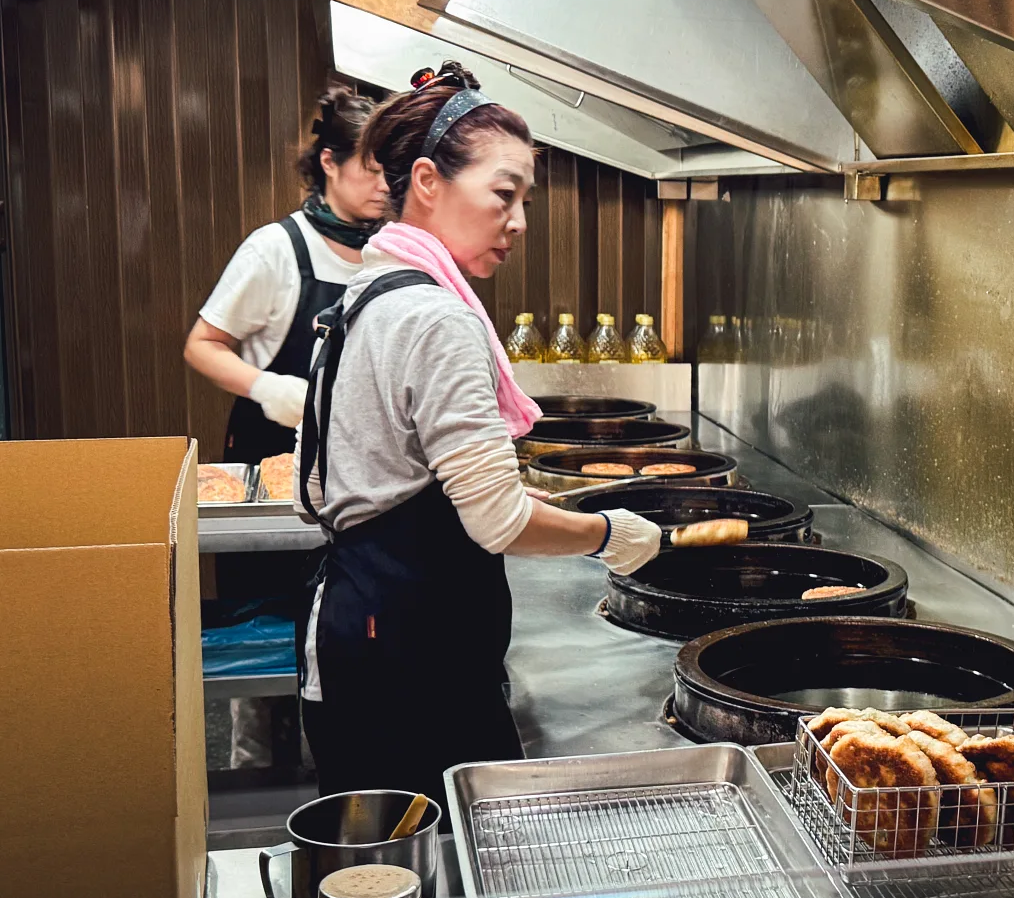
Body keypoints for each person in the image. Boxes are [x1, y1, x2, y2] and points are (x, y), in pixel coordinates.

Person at [294, 62, 661, 808]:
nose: (520, 221)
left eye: (526, 199)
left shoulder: (371, 289)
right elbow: (496, 518)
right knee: (442, 883)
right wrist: (610, 534)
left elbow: (322, 489)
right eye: (504, 194)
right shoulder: (436, 317)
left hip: (361, 634)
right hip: (411, 664)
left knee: (385, 890)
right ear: (427, 182)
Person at [182, 86, 390, 769]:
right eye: (369, 168)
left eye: (394, 168)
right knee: (265, 638)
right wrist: (270, 387)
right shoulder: (276, 250)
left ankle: (332, 784)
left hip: (357, 488)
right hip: (274, 478)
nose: (384, 186)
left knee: (341, 646)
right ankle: (256, 769)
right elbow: (202, 344)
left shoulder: (394, 253)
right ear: (328, 162)